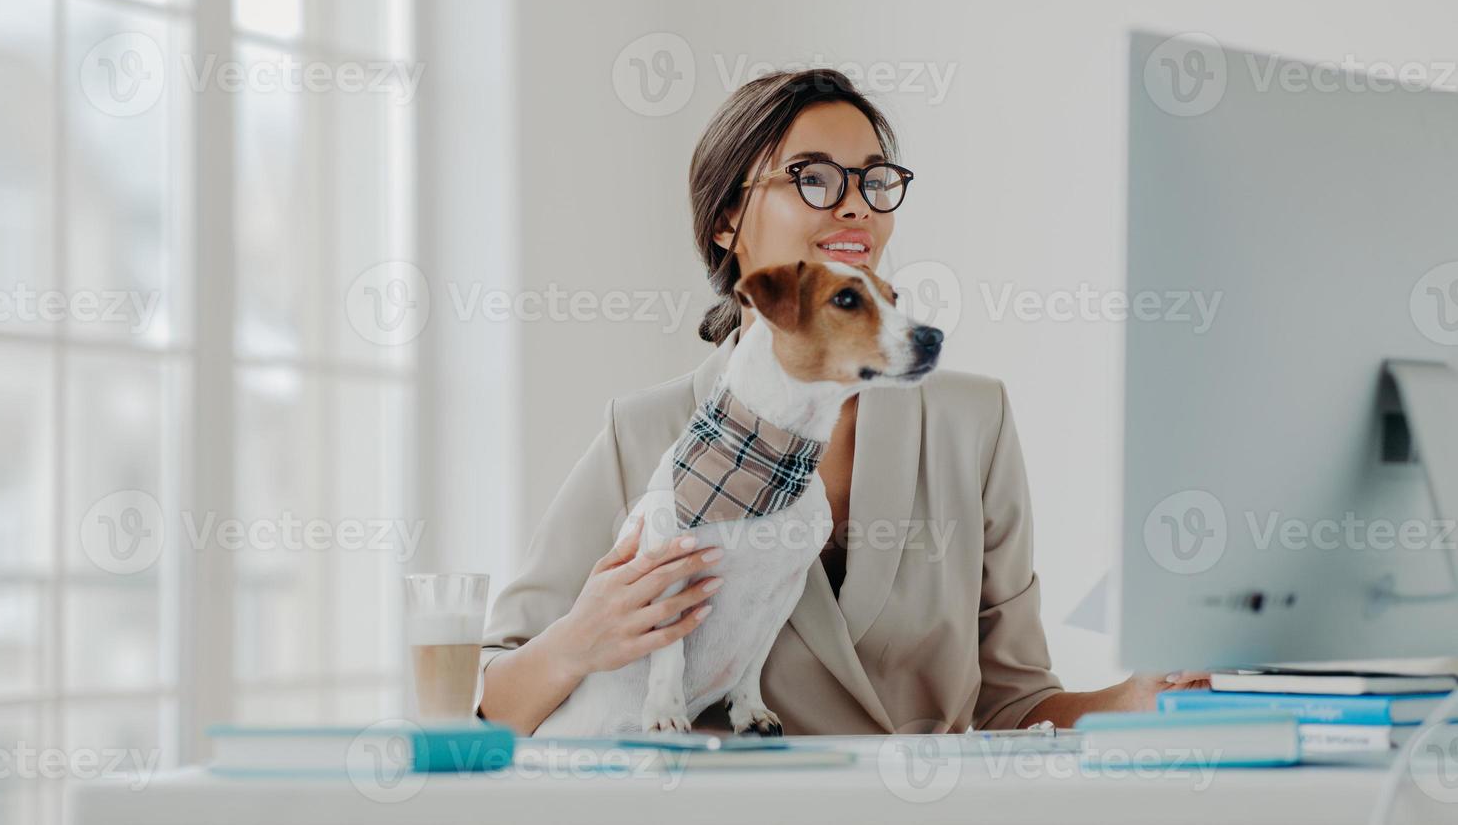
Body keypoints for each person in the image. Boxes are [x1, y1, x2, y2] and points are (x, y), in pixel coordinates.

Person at [476, 68, 1208, 735]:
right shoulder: (643, 433)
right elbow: (491, 706)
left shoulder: (970, 424)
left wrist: (1134, 700)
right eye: (815, 179)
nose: (855, 206)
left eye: (874, 181)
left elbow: (1011, 704)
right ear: (729, 219)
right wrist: (582, 638)